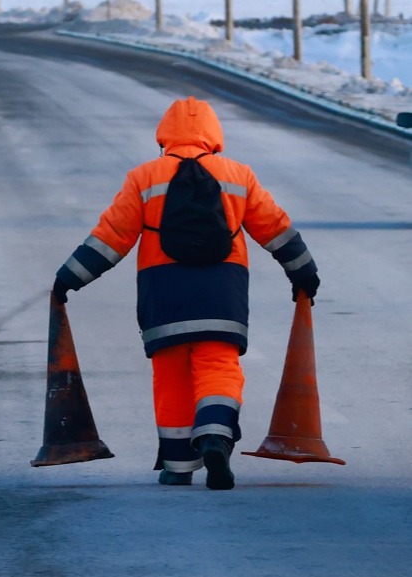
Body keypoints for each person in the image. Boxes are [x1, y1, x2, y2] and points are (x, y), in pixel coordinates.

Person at [52, 97, 319, 490]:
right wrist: (304, 272)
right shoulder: (238, 175)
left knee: (171, 373)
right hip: (222, 291)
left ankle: (178, 466)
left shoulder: (145, 177)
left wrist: (69, 277)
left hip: (164, 292)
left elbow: (112, 237)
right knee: (219, 366)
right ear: (214, 136)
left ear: (164, 136)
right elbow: (274, 228)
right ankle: (215, 435)